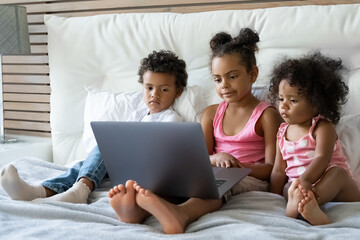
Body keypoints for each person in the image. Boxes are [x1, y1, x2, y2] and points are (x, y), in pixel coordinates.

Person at [108, 28, 282, 234]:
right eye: (217, 79)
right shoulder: (210, 113)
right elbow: (201, 158)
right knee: (185, 180)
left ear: (252, 74)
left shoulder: (267, 115)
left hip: (249, 178)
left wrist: (237, 166)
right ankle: (136, 212)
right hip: (213, 171)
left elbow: (272, 167)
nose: (224, 85)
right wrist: (216, 158)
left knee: (213, 185)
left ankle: (182, 215)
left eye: (232, 76)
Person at [0, 50, 187, 204]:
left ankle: (81, 190)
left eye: (163, 89)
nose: (155, 94)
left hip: (142, 172)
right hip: (122, 166)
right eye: (149, 88)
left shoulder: (172, 119)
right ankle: (37, 192)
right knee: (82, 165)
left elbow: (158, 154)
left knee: (104, 148)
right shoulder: (137, 114)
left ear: (177, 92)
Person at [268, 51, 360, 225]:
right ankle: (305, 209)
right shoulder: (281, 133)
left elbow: (321, 158)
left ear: (316, 103)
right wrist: (271, 197)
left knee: (338, 173)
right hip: (302, 188)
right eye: (281, 99)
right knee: (289, 187)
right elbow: (278, 171)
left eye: (293, 100)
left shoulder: (322, 127)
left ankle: (306, 207)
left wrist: (306, 181)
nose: (283, 105)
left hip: (339, 189)